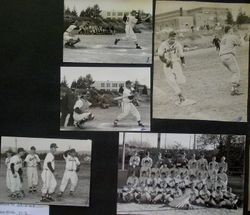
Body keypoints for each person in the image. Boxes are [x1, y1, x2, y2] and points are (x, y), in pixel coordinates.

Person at [158, 31, 196, 106]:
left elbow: (181, 55)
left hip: (176, 63)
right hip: (167, 64)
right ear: (168, 37)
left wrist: (183, 63)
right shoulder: (163, 45)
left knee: (181, 80)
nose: (172, 40)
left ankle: (180, 94)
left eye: (174, 39)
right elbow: (160, 55)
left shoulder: (177, 44)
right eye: (171, 38)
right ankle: (181, 98)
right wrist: (166, 61)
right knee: (171, 80)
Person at [219, 26, 242, 95]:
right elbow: (241, 44)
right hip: (228, 56)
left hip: (222, 57)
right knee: (236, 72)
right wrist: (241, 38)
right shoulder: (232, 36)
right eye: (231, 29)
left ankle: (235, 84)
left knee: (233, 72)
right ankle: (234, 89)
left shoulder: (223, 37)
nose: (232, 31)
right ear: (229, 30)